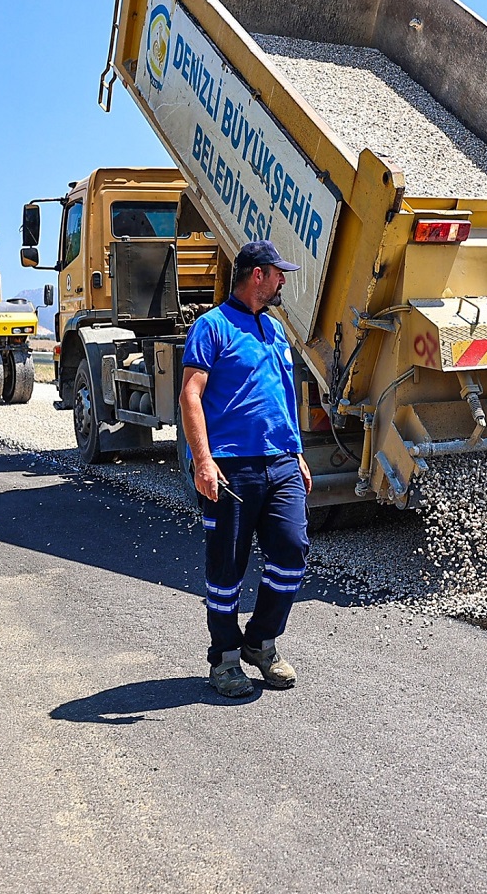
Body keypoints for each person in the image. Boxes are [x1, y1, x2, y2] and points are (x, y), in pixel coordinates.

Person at [178, 239, 312, 697]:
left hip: (281, 463)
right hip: (232, 469)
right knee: (227, 569)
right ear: (258, 274)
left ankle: (260, 641)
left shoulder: (276, 331)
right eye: (278, 274)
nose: (283, 282)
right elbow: (190, 395)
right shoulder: (211, 326)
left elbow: (283, 395)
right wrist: (203, 462)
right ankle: (225, 658)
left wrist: (296, 451)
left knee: (292, 553)